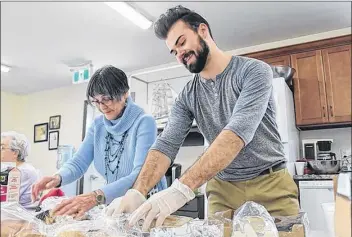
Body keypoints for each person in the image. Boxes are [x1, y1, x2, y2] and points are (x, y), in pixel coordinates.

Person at [111, 5, 300, 231]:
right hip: (223, 190)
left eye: (181, 43)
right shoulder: (187, 96)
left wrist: (181, 190)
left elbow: (236, 135)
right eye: (173, 51)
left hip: (271, 184)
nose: (179, 54)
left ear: (203, 31)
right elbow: (166, 144)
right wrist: (137, 190)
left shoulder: (254, 71)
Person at [31, 65, 167, 218]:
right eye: (96, 101)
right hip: (116, 204)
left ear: (125, 93)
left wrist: (96, 196)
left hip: (146, 203)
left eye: (107, 99)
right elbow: (79, 162)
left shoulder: (144, 122)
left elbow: (140, 175)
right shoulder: (98, 125)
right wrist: (58, 177)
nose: (102, 107)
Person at [1, 131, 40, 209]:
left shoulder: (24, 171)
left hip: (19, 218)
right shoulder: (9, 168)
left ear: (15, 153)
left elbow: (5, 200)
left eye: (2, 147)